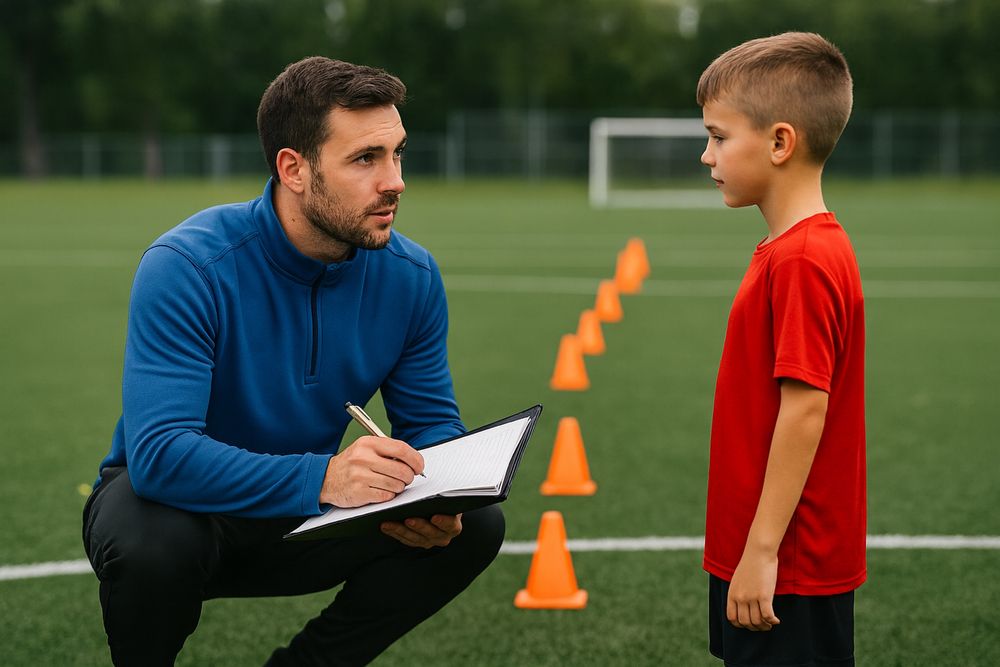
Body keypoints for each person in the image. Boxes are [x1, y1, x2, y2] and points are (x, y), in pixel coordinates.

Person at [82, 56, 505, 667]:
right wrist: (325, 478)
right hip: (185, 512)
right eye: (366, 159)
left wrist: (443, 497)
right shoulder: (187, 265)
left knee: (477, 526)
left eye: (397, 153)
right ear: (294, 169)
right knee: (153, 540)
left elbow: (434, 424)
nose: (395, 181)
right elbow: (160, 456)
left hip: (304, 522)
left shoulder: (411, 277)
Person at [697, 33, 866, 666]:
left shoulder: (803, 258)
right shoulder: (792, 249)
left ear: (779, 143)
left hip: (787, 563)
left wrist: (762, 550)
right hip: (765, 551)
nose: (706, 155)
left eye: (718, 136)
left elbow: (805, 411)